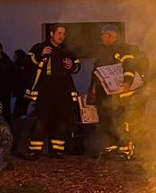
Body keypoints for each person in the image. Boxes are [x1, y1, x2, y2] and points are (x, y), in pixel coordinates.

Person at [25, 24, 80, 159]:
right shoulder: (39, 47)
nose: (62, 36)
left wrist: (72, 66)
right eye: (59, 33)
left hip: (63, 89)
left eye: (63, 34)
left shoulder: (67, 51)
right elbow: (27, 62)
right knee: (41, 119)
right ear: (51, 34)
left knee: (62, 120)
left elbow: (77, 67)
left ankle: (57, 150)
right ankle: (34, 151)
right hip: (45, 89)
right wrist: (40, 55)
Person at [89, 23, 143, 160]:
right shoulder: (101, 51)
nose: (103, 38)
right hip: (104, 93)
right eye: (102, 35)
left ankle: (125, 150)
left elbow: (129, 66)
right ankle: (112, 149)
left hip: (120, 93)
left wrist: (126, 82)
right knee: (106, 120)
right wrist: (93, 90)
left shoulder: (123, 49)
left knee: (121, 120)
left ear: (113, 36)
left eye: (105, 35)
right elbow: (95, 73)